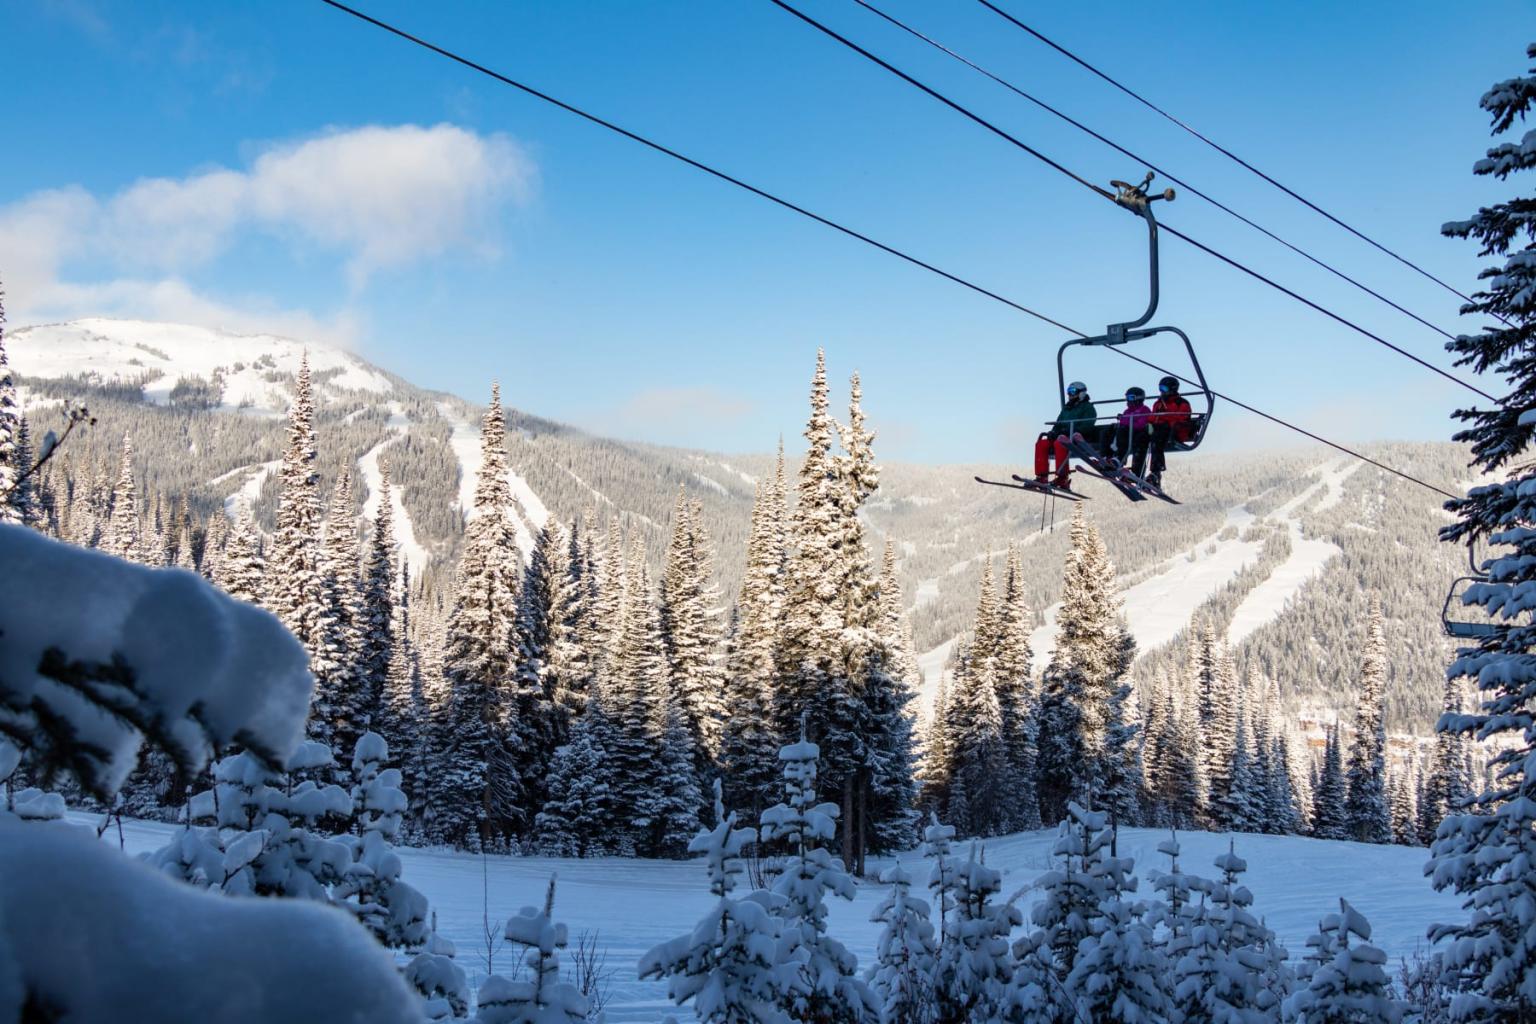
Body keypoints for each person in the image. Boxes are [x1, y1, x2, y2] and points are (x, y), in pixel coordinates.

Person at [1034, 381, 1098, 490]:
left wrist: (1071, 431)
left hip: (1078, 437)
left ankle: (1062, 477)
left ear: (1081, 393)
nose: (1070, 394)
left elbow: (1087, 425)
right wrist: (1053, 432)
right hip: (1063, 435)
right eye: (1068, 392)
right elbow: (1058, 423)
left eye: (1072, 391)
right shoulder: (1067, 408)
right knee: (1042, 443)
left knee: (1060, 443)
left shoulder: (1088, 408)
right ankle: (1042, 476)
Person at [1148, 375, 1193, 488]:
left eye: (1164, 389)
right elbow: (1153, 417)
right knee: (1141, 436)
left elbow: (1180, 419)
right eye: (1160, 388)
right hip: (1159, 431)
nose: (1162, 391)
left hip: (1175, 432)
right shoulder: (1158, 403)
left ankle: (1156, 473)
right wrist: (1148, 423)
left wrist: (1163, 419)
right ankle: (1134, 470)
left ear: (1173, 389)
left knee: (1157, 436)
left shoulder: (1181, 403)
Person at [1108, 386, 1153, 476]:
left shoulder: (1144, 410)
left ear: (1138, 398)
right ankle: (1113, 458)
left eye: (1130, 397)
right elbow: (1122, 422)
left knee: (1138, 445)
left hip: (1139, 433)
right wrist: (1127, 422)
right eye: (1127, 398)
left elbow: (1141, 424)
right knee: (1114, 431)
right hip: (1127, 433)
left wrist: (1127, 422)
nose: (1128, 400)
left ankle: (1137, 472)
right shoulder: (1127, 411)